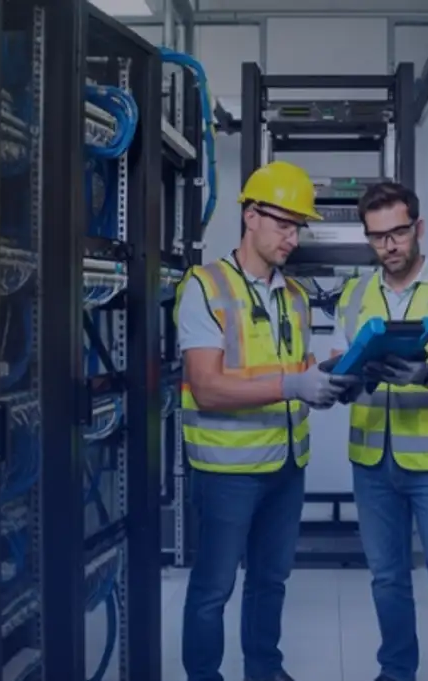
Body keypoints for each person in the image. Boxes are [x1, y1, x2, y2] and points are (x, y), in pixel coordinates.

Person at [175, 160, 362, 681]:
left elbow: (294, 370)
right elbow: (208, 386)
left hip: (285, 463)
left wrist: (326, 380)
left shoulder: (295, 297)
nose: (293, 238)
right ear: (251, 215)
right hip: (226, 469)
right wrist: (291, 385)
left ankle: (264, 670)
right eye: (284, 223)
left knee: (270, 580)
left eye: (299, 227)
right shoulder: (205, 288)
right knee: (214, 588)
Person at [332, 182, 428, 681]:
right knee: (387, 581)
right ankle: (396, 672)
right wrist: (347, 378)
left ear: (418, 228)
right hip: (372, 462)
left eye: (398, 232)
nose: (389, 246)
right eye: (377, 237)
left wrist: (427, 375)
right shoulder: (353, 295)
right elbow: (342, 378)